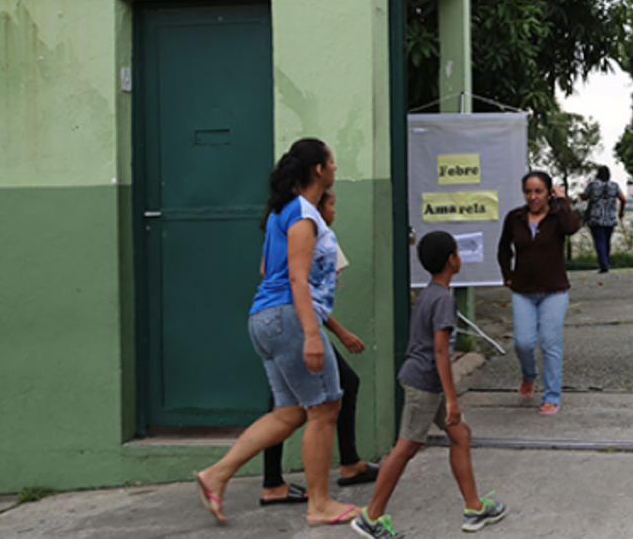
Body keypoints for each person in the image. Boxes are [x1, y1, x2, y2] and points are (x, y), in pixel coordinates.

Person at [194, 138, 358, 526]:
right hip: (287, 318)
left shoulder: (280, 211)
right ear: (318, 169)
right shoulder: (302, 213)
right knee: (324, 409)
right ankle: (319, 504)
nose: (335, 167)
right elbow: (298, 280)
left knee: (290, 413)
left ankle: (216, 475)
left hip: (265, 319)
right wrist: (313, 335)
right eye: (331, 161)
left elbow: (269, 272)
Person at [353, 231, 507, 539]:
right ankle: (370, 517)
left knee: (460, 434)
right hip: (424, 384)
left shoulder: (429, 293)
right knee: (406, 447)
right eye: (457, 252)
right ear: (452, 260)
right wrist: (452, 399)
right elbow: (439, 350)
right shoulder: (443, 301)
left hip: (427, 382)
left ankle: (474, 508)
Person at [260, 189, 379, 506]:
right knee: (296, 407)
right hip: (292, 325)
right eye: (331, 203)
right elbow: (301, 292)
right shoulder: (304, 231)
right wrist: (333, 333)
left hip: (288, 322)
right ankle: (282, 484)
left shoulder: (300, 229)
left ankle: (343, 464)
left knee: (293, 401)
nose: (335, 210)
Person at [497, 171, 580, 416]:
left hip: (554, 290)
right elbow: (503, 249)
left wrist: (563, 201)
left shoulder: (557, 217)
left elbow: (572, 227)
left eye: (539, 192)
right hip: (523, 290)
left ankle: (551, 396)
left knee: (549, 343)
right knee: (522, 343)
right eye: (528, 192)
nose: (533, 197)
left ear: (548, 193)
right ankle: (529, 375)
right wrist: (508, 275)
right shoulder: (515, 217)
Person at [581, 166, 625, 273]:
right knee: (607, 241)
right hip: (610, 217)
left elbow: (584, 197)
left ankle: (603, 265)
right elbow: (623, 198)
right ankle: (605, 262)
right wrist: (621, 211)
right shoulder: (614, 185)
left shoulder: (592, 185)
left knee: (599, 241)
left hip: (595, 217)